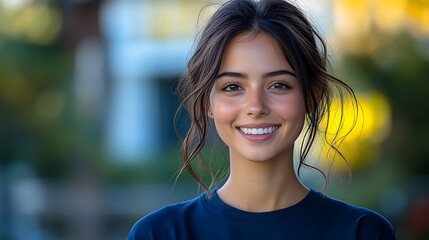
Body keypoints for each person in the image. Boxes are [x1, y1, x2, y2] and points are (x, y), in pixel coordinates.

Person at [128, 0, 396, 239]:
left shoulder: (362, 232)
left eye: (278, 85)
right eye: (233, 87)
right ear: (208, 101)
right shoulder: (160, 234)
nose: (255, 107)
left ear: (312, 96)